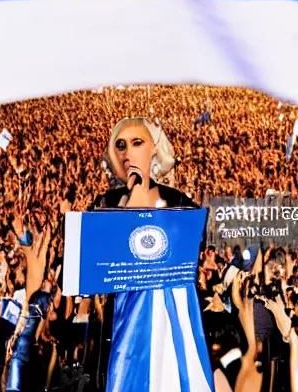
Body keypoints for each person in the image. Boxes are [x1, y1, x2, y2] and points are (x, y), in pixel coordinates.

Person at [89, 117, 213, 392]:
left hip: (168, 326)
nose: (127, 152)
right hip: (119, 323)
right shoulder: (105, 204)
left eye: (136, 143)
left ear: (154, 147)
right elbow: (95, 264)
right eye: (120, 145)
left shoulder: (179, 203)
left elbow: (191, 256)